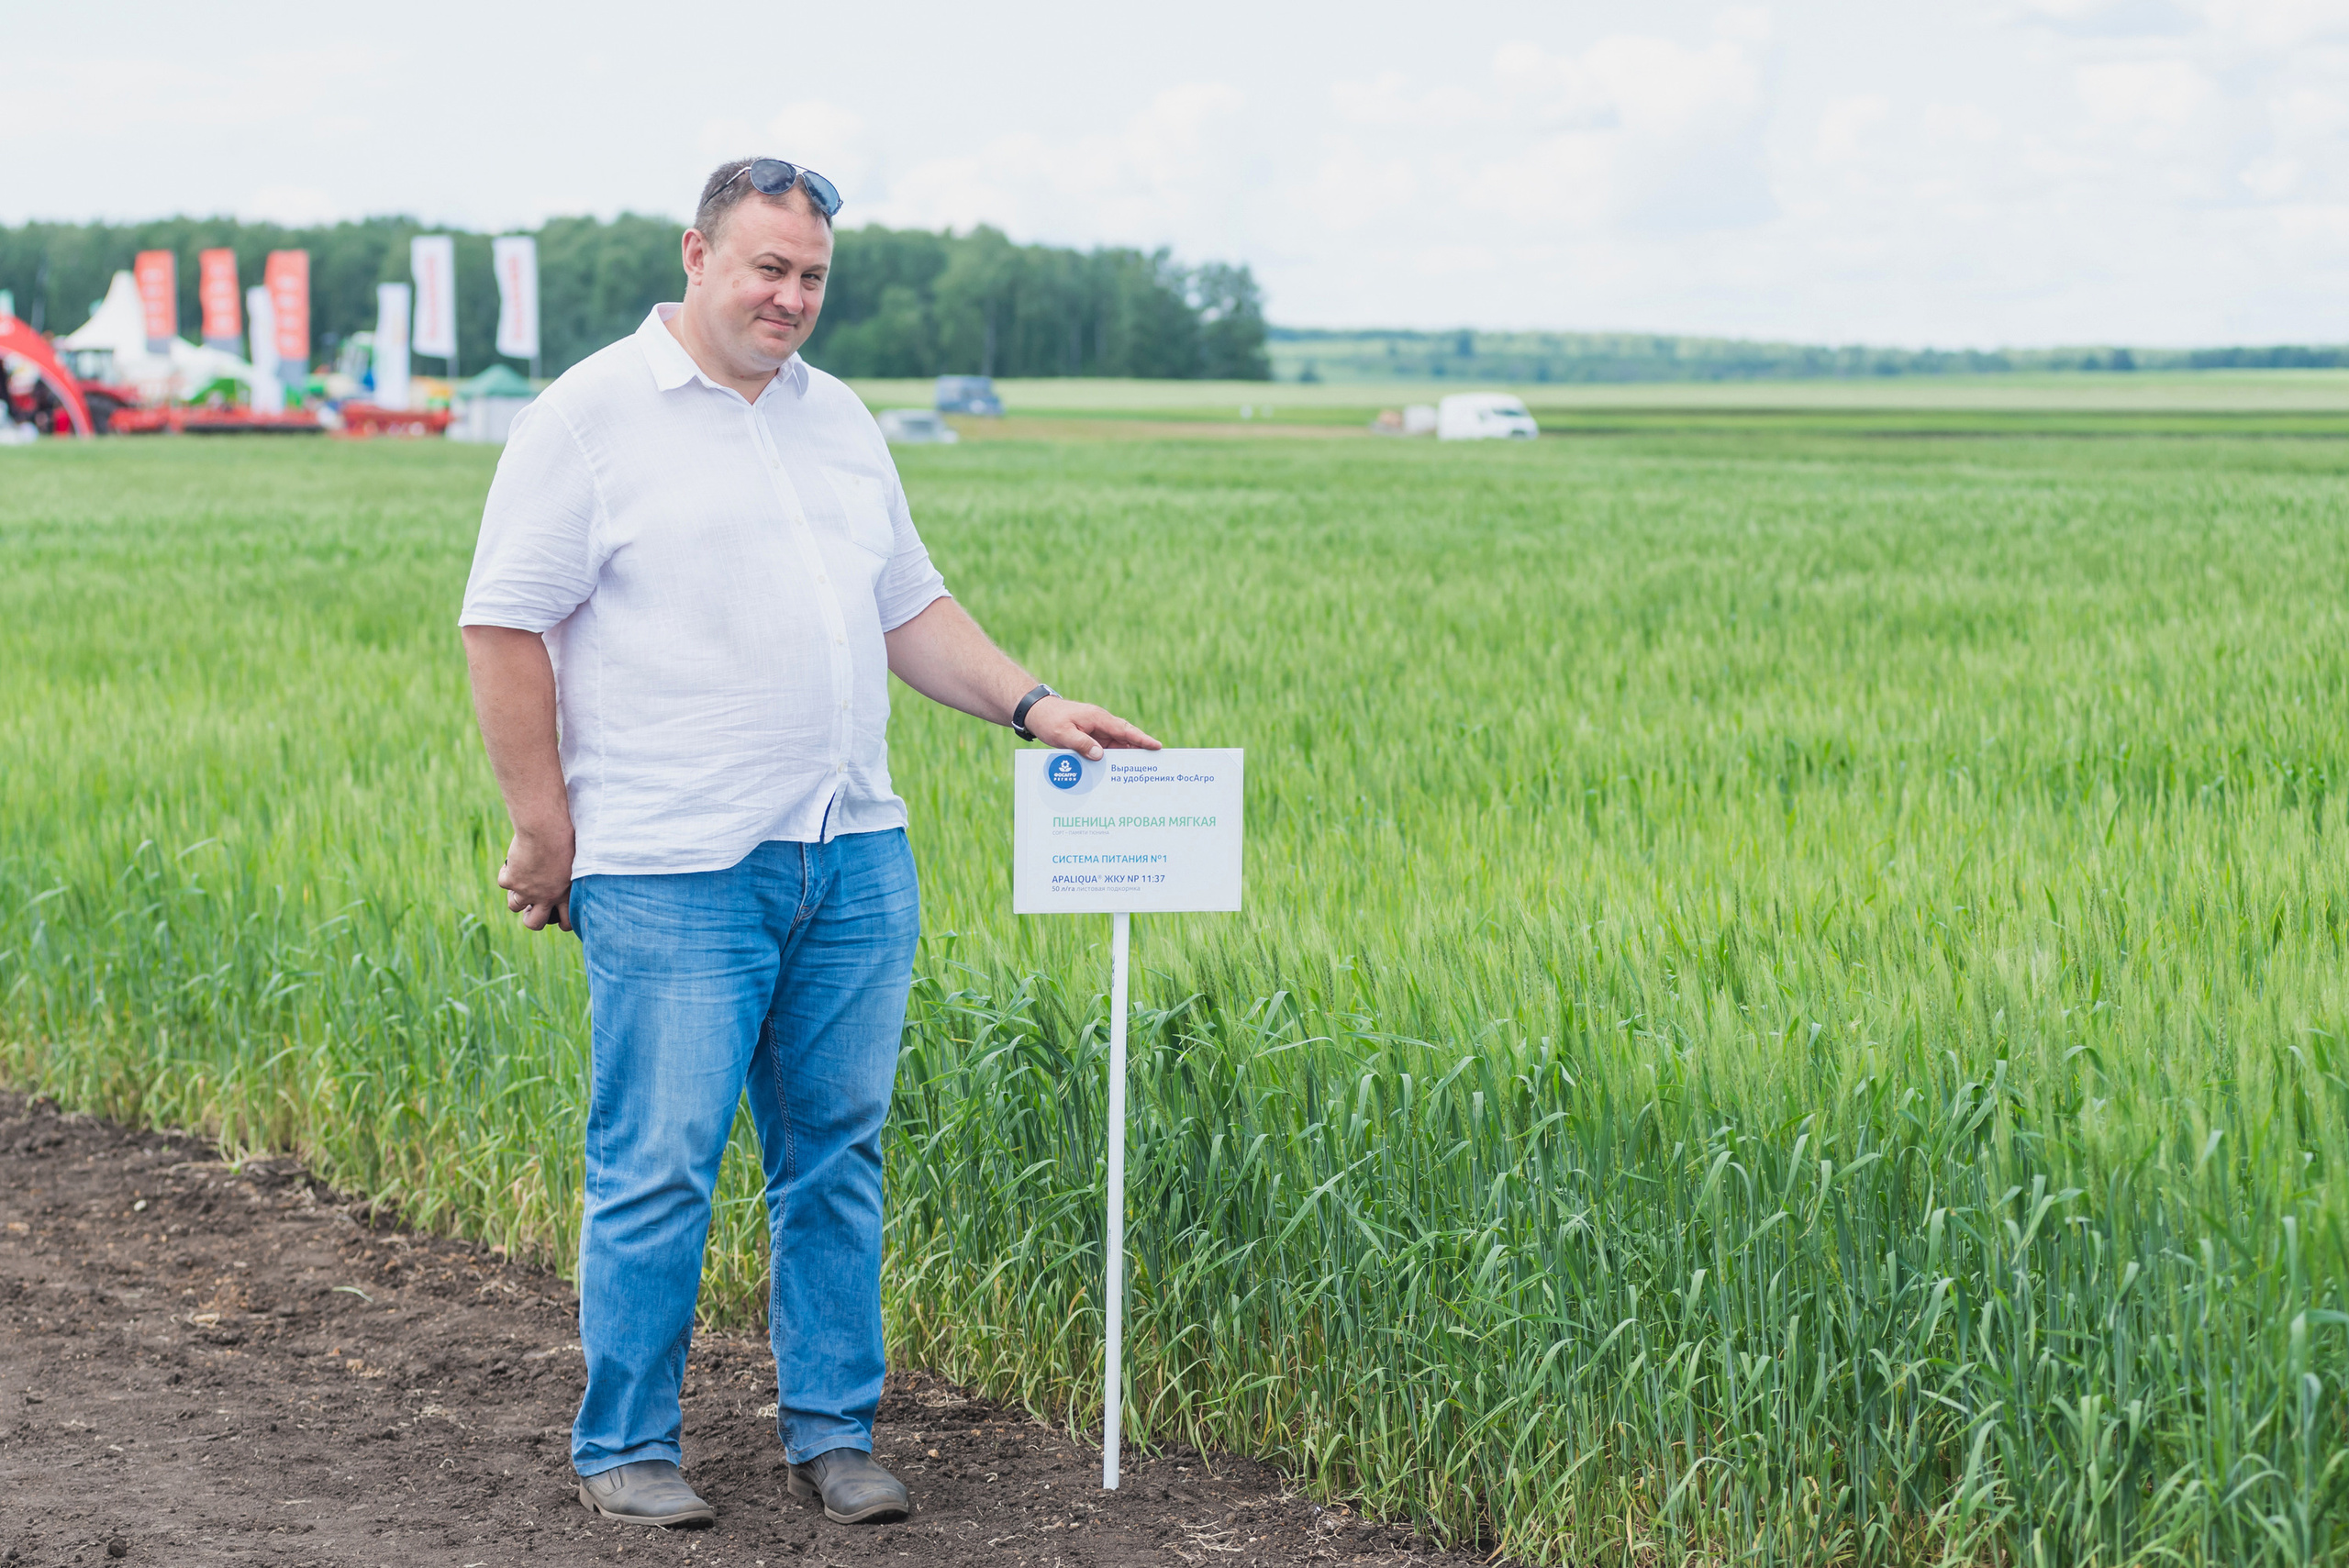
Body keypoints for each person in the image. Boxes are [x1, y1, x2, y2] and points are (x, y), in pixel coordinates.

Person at [458, 156, 1158, 1531]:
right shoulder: (590, 416)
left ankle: (833, 1428)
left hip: (850, 854)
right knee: (658, 1159)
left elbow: (908, 605)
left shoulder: (837, 418)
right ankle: (626, 1445)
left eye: (813, 277)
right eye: (768, 267)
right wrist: (547, 829)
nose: (791, 297)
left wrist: (1031, 702)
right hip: (675, 866)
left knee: (835, 1155)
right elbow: (502, 626)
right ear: (698, 255)